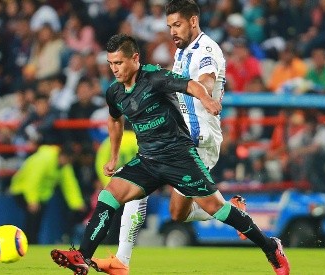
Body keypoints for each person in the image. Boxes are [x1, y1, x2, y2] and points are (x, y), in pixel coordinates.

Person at [50, 34, 290, 275]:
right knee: (109, 196)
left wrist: (206, 99)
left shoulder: (155, 77)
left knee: (216, 208)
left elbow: (191, 85)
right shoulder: (114, 92)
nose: (114, 69)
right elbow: (114, 120)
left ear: (135, 58)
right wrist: (113, 157)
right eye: (111, 64)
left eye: (119, 63)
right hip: (148, 160)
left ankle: (271, 247)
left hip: (179, 157)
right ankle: (83, 256)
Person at [93, 1, 245, 273]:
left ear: (193, 21)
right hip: (175, 137)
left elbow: (207, 79)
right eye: (169, 26)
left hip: (199, 138)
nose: (172, 31)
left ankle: (121, 260)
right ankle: (121, 261)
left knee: (153, 198)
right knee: (175, 211)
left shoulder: (206, 49)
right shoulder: (181, 51)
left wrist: (204, 92)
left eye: (177, 25)